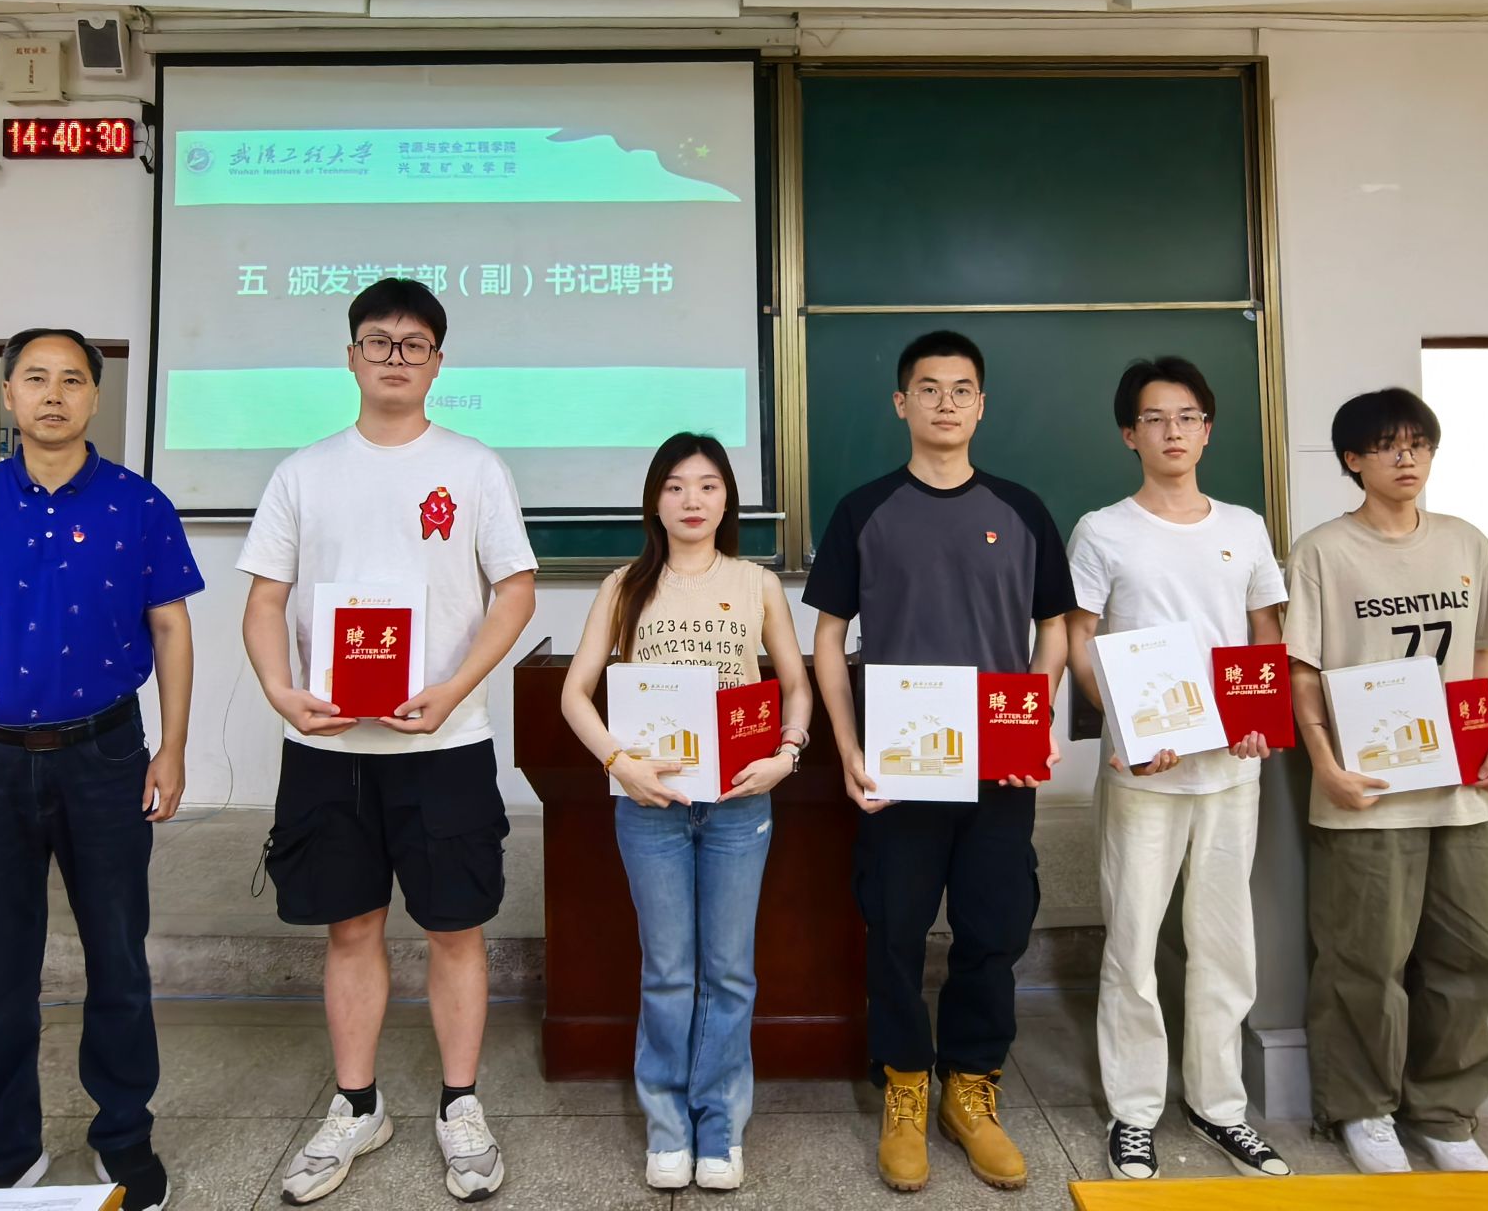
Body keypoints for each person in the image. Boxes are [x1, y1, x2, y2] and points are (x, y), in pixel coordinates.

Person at [240, 278, 538, 1205]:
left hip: (446, 745)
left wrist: (455, 689)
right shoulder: (302, 472)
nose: (396, 356)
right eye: (379, 340)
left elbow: (516, 591)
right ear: (351, 355)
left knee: (456, 928)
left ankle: (459, 1104)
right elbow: (264, 601)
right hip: (330, 751)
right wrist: (281, 692)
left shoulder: (475, 467)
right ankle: (358, 1104)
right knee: (351, 928)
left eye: (415, 344)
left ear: (438, 362)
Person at [0, 328, 200, 1211]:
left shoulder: (139, 504)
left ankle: (124, 1138)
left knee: (118, 958)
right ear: (9, 395)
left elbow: (171, 627)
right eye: (35, 379)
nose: (54, 394)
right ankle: (5, 1152)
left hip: (105, 757)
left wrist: (172, 747)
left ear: (95, 398)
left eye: (71, 380)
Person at [804, 330, 1075, 1194]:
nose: (946, 403)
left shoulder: (1022, 509)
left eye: (962, 389)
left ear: (981, 405)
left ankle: (970, 1086)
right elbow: (829, 637)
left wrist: (1034, 719)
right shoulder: (865, 510)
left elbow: (1055, 629)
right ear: (902, 403)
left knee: (994, 929)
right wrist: (848, 748)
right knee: (894, 929)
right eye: (929, 388)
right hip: (901, 766)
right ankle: (904, 1085)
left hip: (999, 767)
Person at [558, 433, 815, 1193]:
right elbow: (574, 694)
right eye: (675, 487)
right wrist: (619, 762)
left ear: (727, 498)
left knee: (730, 971)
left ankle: (719, 1126)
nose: (692, 500)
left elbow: (796, 685)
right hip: (650, 806)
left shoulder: (755, 582)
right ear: (655, 502)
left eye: (707, 486)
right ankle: (668, 1125)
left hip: (738, 803)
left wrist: (788, 751)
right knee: (669, 971)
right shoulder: (624, 586)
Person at [1064, 357, 1292, 1182]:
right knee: (1132, 943)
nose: (1173, 431)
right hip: (1146, 772)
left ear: (1208, 429)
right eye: (1155, 418)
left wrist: (1263, 716)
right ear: (1130, 434)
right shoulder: (1102, 530)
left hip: (1231, 768)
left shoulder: (1245, 526)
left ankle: (1219, 1106)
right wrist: (1123, 725)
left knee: (1225, 944)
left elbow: (1266, 632)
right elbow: (1080, 639)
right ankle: (1133, 1112)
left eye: (1187, 416)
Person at [1286, 387, 1488, 1175]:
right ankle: (1363, 1110)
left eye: (1418, 444)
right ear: (1353, 460)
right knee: (1363, 961)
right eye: (1388, 446)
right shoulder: (1323, 550)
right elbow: (1303, 671)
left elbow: (1482, 652)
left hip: (1460, 788)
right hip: (1367, 792)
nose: (1406, 458)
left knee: (1471, 955)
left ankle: (1446, 1114)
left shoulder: (1465, 542)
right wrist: (1324, 764)